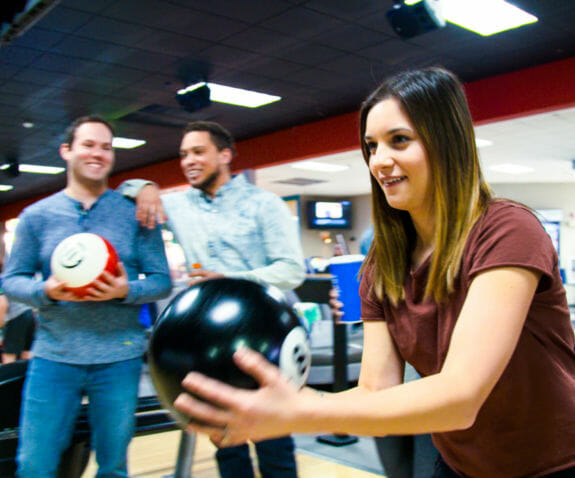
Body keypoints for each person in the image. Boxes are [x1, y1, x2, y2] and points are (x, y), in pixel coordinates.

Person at [171, 68, 575, 478]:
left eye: (399, 140)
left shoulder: (507, 230)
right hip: (461, 462)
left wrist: (300, 409)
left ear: (446, 142)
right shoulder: (383, 263)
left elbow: (461, 395)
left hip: (552, 463)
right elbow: (375, 391)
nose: (379, 161)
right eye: (371, 145)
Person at [120, 120, 305, 478]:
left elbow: (291, 270)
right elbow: (124, 191)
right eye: (183, 154)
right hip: (208, 342)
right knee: (225, 441)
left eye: (198, 152)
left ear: (225, 155)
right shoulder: (178, 206)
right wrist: (145, 186)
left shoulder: (264, 204)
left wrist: (231, 279)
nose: (188, 160)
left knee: (274, 442)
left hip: (263, 338)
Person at [2, 115, 172, 478]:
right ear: (67, 151)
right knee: (34, 464)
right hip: (53, 357)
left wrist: (127, 290)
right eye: (88, 145)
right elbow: (11, 280)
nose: (98, 153)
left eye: (106, 147)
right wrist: (43, 291)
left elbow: (161, 280)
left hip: (119, 357)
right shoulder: (37, 216)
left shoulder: (134, 213)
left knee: (113, 466)